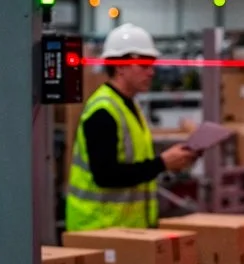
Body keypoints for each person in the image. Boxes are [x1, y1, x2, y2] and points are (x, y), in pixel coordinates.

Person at [66, 23, 196, 232]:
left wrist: (171, 163)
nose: (151, 72)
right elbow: (106, 175)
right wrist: (161, 163)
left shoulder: (129, 106)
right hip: (99, 228)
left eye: (152, 65)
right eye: (144, 65)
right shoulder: (103, 112)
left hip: (124, 228)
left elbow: (134, 163)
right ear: (120, 67)